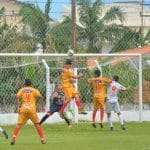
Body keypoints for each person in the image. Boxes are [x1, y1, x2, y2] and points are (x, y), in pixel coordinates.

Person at [11, 79, 46, 145]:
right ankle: (43, 139)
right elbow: (40, 96)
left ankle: (13, 138)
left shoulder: (22, 90)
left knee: (19, 125)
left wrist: (19, 105)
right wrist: (40, 104)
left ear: (24, 84)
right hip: (32, 109)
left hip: (23, 109)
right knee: (37, 125)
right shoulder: (34, 90)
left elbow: (17, 96)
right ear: (31, 84)